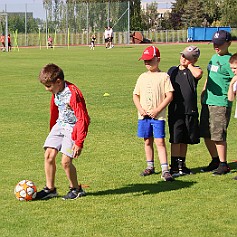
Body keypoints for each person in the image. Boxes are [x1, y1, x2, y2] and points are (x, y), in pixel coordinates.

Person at [36, 63, 90, 200]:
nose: (46, 89)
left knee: (65, 161)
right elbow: (54, 110)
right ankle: (50, 189)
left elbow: (82, 118)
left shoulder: (73, 94)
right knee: (48, 155)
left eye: (48, 86)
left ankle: (76, 189)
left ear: (58, 82)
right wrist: (52, 130)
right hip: (60, 125)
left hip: (73, 128)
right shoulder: (56, 91)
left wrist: (79, 142)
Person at [133, 46, 174, 181]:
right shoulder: (142, 77)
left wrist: (157, 110)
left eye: (150, 60)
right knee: (147, 141)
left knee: (160, 141)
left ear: (158, 59)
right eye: (145, 61)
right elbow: (135, 95)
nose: (147, 63)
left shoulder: (164, 77)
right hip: (143, 116)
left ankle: (165, 169)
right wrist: (140, 109)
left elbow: (169, 95)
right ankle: (150, 166)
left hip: (158, 117)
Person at [200, 30, 234, 175]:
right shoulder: (213, 58)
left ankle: (223, 164)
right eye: (214, 43)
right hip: (208, 101)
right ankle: (215, 159)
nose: (216, 46)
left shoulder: (231, 61)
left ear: (229, 43)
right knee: (206, 134)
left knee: (218, 135)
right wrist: (204, 90)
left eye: (220, 44)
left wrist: (230, 91)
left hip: (221, 103)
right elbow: (210, 76)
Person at [168, 46, 203, 177]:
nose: (183, 59)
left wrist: (190, 65)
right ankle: (174, 166)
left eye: (187, 57)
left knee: (185, 139)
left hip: (190, 110)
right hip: (176, 110)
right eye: (183, 56)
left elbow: (198, 74)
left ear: (193, 60)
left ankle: (182, 164)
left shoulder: (195, 70)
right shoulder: (173, 71)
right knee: (176, 139)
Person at [227, 53, 237, 180]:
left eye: (235, 68)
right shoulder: (235, 80)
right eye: (232, 69)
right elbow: (230, 99)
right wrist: (231, 84)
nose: (233, 71)